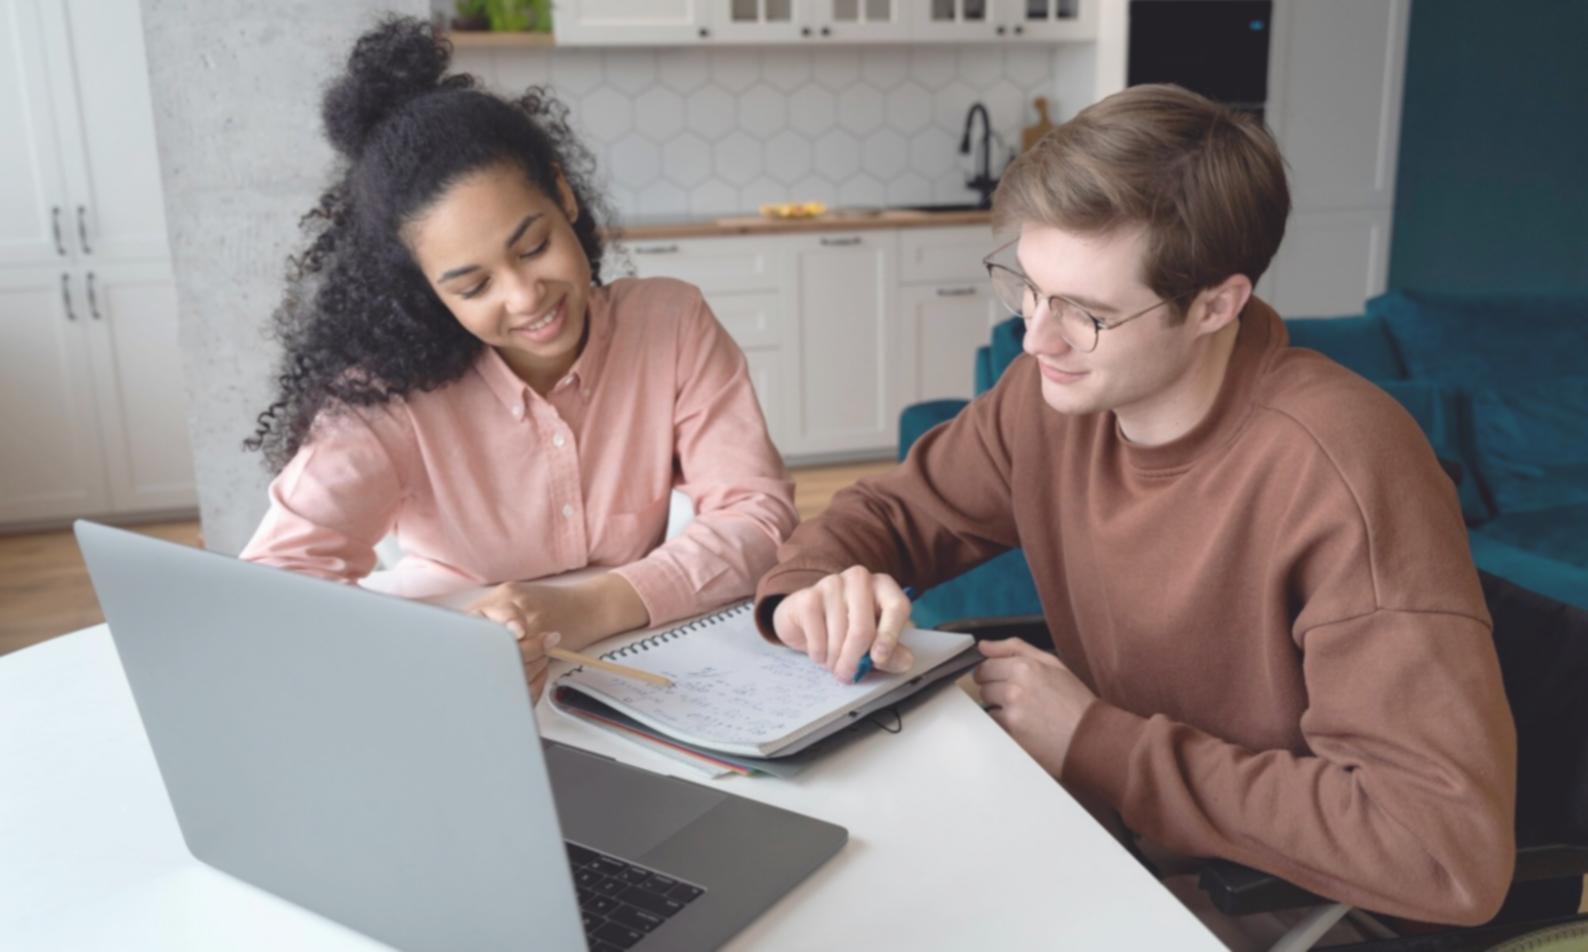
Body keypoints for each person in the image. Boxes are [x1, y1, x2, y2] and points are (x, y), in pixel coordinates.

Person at [752, 84, 1516, 941]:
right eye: (1030, 290)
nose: (1038, 339)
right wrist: (810, 590)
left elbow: (1445, 850)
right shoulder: (1046, 400)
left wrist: (1096, 742)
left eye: (1088, 313)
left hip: (1264, 907)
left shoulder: (1345, 466)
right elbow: (886, 515)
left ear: (1216, 306)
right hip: (1102, 843)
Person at [240, 17, 797, 703]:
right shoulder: (388, 396)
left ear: (563, 195)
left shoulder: (670, 322)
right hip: (461, 689)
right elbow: (275, 587)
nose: (526, 297)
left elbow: (759, 520)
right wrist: (446, 651)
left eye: (533, 247)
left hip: (648, 669)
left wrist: (580, 610)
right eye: (472, 286)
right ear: (426, 286)